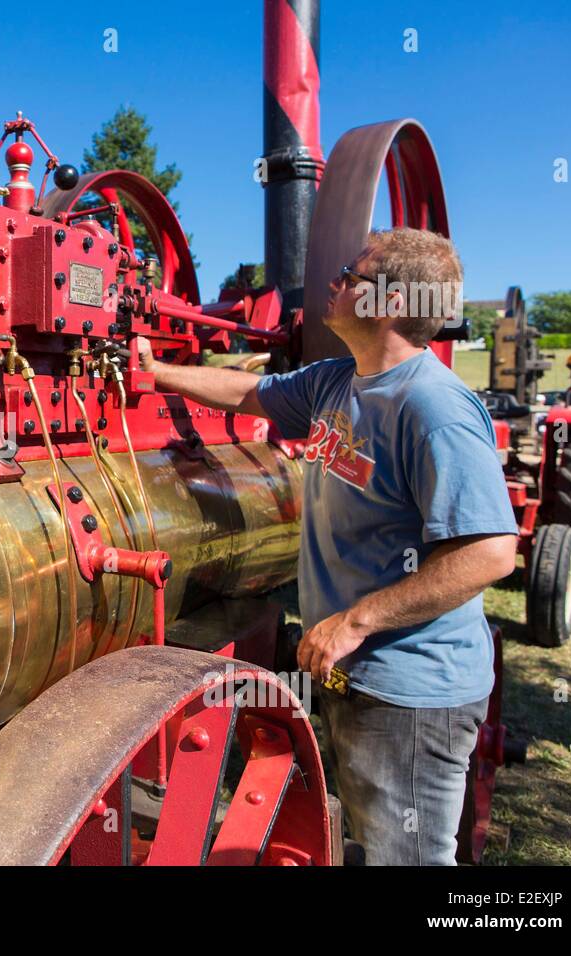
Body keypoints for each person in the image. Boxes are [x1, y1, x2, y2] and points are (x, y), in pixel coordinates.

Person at [138, 227, 518, 864]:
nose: (335, 283)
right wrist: (156, 372)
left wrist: (356, 621)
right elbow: (248, 392)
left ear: (390, 302)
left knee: (407, 857)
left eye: (351, 274)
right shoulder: (336, 382)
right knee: (375, 842)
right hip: (355, 673)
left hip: (410, 689)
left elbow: (491, 552)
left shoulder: (432, 407)